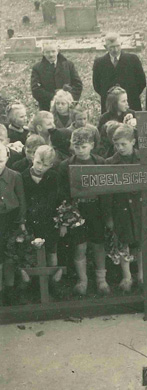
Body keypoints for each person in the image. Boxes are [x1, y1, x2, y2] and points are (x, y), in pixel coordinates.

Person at [57, 127, 109, 295]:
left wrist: (107, 215)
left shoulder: (100, 162)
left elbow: (106, 190)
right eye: (76, 146)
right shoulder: (66, 165)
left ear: (92, 145)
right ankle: (82, 280)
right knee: (80, 246)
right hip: (76, 211)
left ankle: (101, 279)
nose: (79, 150)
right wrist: (67, 217)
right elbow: (62, 193)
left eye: (83, 146)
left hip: (96, 209)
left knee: (98, 244)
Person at [104, 124, 141, 292]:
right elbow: (107, 194)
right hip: (120, 209)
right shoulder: (110, 163)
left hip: (140, 208)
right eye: (116, 145)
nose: (119, 148)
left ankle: (142, 274)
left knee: (141, 241)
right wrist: (109, 217)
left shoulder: (143, 159)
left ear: (133, 142)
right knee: (122, 243)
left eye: (123, 144)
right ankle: (127, 276)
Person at [22, 145, 62, 288]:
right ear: (33, 158)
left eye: (45, 165)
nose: (40, 167)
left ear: (50, 165)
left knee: (52, 251)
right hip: (30, 221)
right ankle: (30, 284)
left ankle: (53, 283)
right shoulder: (23, 177)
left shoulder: (53, 177)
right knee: (29, 252)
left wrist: (61, 223)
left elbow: (59, 201)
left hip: (49, 221)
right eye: (38, 162)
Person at [92, 32, 146, 113]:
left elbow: (141, 82)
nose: (115, 50)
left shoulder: (133, 60)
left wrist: (131, 95)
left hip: (131, 103)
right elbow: (97, 85)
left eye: (118, 46)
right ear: (106, 47)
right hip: (109, 106)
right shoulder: (99, 63)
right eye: (112, 47)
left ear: (121, 44)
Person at [0, 145, 26, 305]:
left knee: (9, 256)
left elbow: (22, 201)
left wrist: (21, 221)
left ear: (7, 157)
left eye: (0, 160)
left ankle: (9, 288)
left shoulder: (15, 176)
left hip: (10, 220)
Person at [31, 40, 82, 111]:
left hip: (68, 106)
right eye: (47, 52)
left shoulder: (68, 65)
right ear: (43, 53)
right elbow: (36, 90)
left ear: (57, 51)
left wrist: (68, 98)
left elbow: (78, 85)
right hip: (47, 107)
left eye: (53, 51)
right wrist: (54, 97)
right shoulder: (37, 68)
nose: (51, 54)